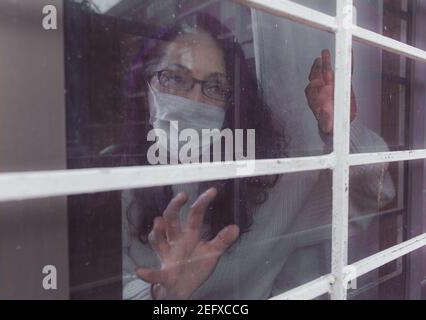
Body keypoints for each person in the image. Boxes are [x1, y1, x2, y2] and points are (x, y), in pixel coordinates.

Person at [121, 13, 395, 300]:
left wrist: (341, 129)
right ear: (145, 90)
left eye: (215, 87)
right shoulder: (113, 181)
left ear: (231, 101)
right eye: (176, 78)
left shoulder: (268, 181)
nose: (195, 100)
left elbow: (375, 194)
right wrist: (161, 295)